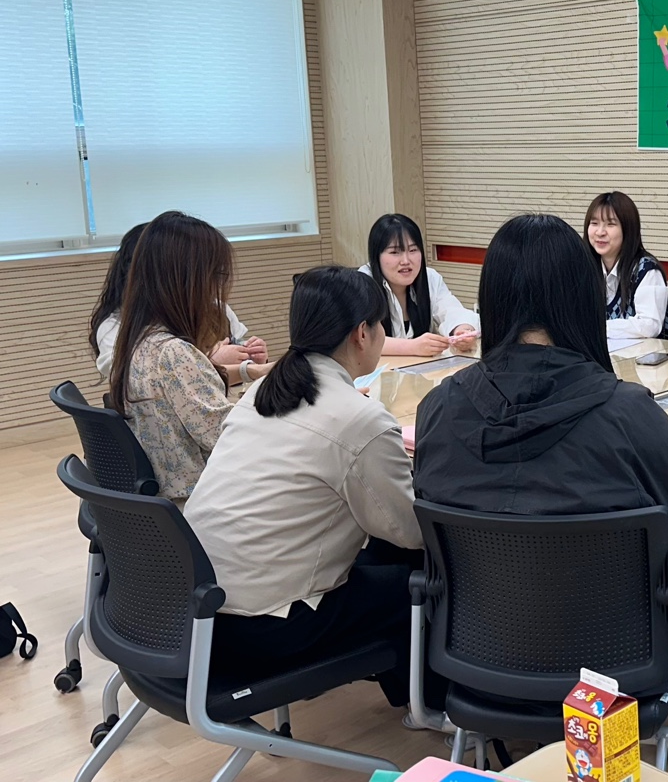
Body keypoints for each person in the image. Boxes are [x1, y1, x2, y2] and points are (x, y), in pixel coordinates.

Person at [412, 214, 668, 682]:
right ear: (582, 298)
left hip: (474, 656)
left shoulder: (439, 408)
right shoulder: (627, 413)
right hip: (617, 665)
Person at [185, 266, 422, 708]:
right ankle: (428, 708)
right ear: (362, 333)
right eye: (380, 324)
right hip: (266, 626)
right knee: (423, 581)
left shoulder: (263, 391)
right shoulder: (358, 418)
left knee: (376, 557)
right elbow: (409, 531)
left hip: (201, 612)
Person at [108, 212, 273, 503]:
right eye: (216, 276)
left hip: (175, 501)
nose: (217, 291)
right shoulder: (172, 353)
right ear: (189, 282)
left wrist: (251, 373)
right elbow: (230, 439)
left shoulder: (140, 340)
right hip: (203, 503)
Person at [90, 221, 266, 381]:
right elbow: (135, 381)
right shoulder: (117, 327)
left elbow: (238, 354)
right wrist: (208, 361)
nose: (213, 284)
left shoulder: (216, 310)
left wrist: (251, 357)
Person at [359, 213, 477, 357]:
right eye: (395, 252)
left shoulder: (430, 277)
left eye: (413, 250)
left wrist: (462, 331)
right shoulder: (363, 283)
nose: (406, 261)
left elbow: (451, 310)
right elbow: (361, 340)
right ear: (376, 256)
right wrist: (412, 347)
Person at [585, 191, 668, 340]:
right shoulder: (585, 266)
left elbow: (649, 326)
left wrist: (595, 328)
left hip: (644, 353)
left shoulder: (646, 270)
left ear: (628, 229)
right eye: (594, 223)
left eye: (610, 224)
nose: (600, 232)